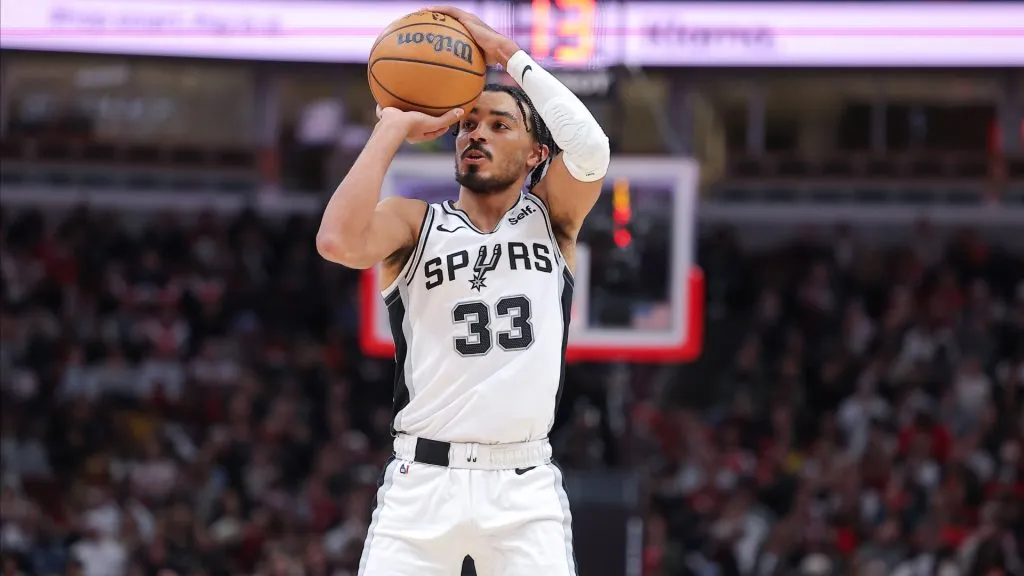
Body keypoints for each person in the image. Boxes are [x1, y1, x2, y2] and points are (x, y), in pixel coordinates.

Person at [316, 5, 610, 575]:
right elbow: (336, 241)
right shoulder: (412, 221)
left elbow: (592, 150)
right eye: (468, 124)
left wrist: (506, 54)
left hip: (523, 487)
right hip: (421, 483)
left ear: (536, 154)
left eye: (500, 125)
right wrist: (393, 127)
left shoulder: (553, 218)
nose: (476, 133)